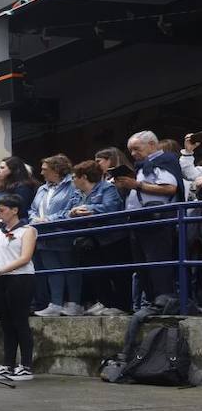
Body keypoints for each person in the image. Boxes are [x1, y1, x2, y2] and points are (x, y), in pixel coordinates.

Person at [0, 194, 38, 381]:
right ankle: (8, 364)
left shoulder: (27, 230)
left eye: (2, 210)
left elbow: (25, 258)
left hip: (20, 278)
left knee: (20, 321)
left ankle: (26, 365)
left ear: (15, 211)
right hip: (0, 279)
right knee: (5, 322)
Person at [122, 130, 182, 308]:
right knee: (142, 264)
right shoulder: (144, 165)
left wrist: (137, 185)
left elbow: (170, 188)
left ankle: (164, 299)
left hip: (157, 220)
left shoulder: (165, 160)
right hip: (140, 220)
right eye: (130, 150)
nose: (133, 154)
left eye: (136, 149)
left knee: (157, 260)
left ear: (151, 145)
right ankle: (152, 299)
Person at [67, 159, 127, 316]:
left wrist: (87, 209)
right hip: (90, 240)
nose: (72, 180)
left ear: (84, 177)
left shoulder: (107, 188)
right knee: (96, 273)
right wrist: (72, 213)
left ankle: (121, 305)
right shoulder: (77, 194)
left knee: (117, 272)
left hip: (112, 238)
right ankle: (105, 302)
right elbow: (68, 211)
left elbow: (111, 207)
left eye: (74, 177)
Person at [30, 155, 84, 316]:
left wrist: (49, 219)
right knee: (52, 270)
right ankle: (56, 303)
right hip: (44, 236)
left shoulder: (72, 184)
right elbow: (32, 208)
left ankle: (75, 303)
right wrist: (35, 219)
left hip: (63, 233)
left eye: (45, 169)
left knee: (71, 268)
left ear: (57, 170)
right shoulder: (42, 188)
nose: (41, 172)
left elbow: (73, 208)